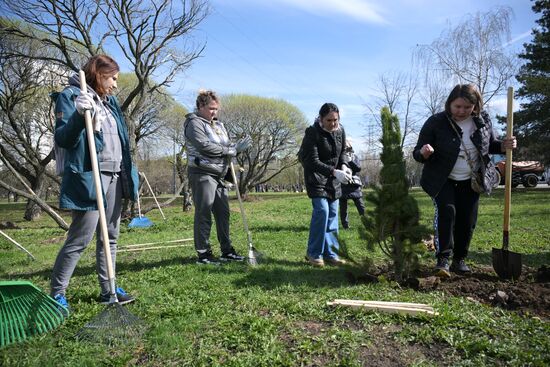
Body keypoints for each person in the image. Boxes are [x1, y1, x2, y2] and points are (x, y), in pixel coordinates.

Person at [50, 55, 139, 309]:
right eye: (112, 78)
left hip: (114, 175)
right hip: (91, 175)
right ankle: (57, 293)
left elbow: (121, 142)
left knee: (110, 235)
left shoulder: (110, 103)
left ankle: (108, 288)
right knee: (81, 237)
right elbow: (64, 139)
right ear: (98, 74)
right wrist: (79, 114)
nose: (115, 84)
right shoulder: (71, 96)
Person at [413, 84, 516, 278]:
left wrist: (504, 145)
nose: (461, 111)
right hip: (442, 178)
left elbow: (490, 145)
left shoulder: (482, 120)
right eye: (457, 106)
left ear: (475, 106)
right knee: (447, 212)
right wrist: (424, 152)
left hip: (471, 179)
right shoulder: (436, 122)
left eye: (467, 107)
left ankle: (459, 260)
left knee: (467, 220)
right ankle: (443, 259)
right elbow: (417, 152)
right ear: (449, 103)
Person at [184, 90, 252, 265]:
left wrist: (236, 146)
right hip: (203, 172)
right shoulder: (194, 123)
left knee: (223, 213)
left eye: (216, 109)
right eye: (210, 108)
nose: (214, 112)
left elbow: (227, 146)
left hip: (220, 174)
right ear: (200, 106)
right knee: (204, 212)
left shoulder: (219, 125)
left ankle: (226, 250)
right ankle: (204, 253)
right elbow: (204, 146)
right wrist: (230, 150)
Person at [299, 103, 352, 267]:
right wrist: (334, 172)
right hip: (316, 178)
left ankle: (331, 254)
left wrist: (344, 165)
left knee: (333, 215)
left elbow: (342, 151)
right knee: (322, 211)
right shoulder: (312, 132)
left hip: (334, 180)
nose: (333, 123)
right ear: (321, 119)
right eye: (329, 120)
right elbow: (311, 161)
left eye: (336, 120)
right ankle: (313, 253)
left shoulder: (340, 131)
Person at [339, 140, 366, 229]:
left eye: (348, 146)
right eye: (345, 147)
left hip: (354, 184)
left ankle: (367, 223)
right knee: (343, 208)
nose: (347, 148)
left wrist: (350, 161)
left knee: (360, 205)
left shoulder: (355, 157)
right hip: (343, 183)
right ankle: (345, 225)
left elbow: (358, 169)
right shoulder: (339, 157)